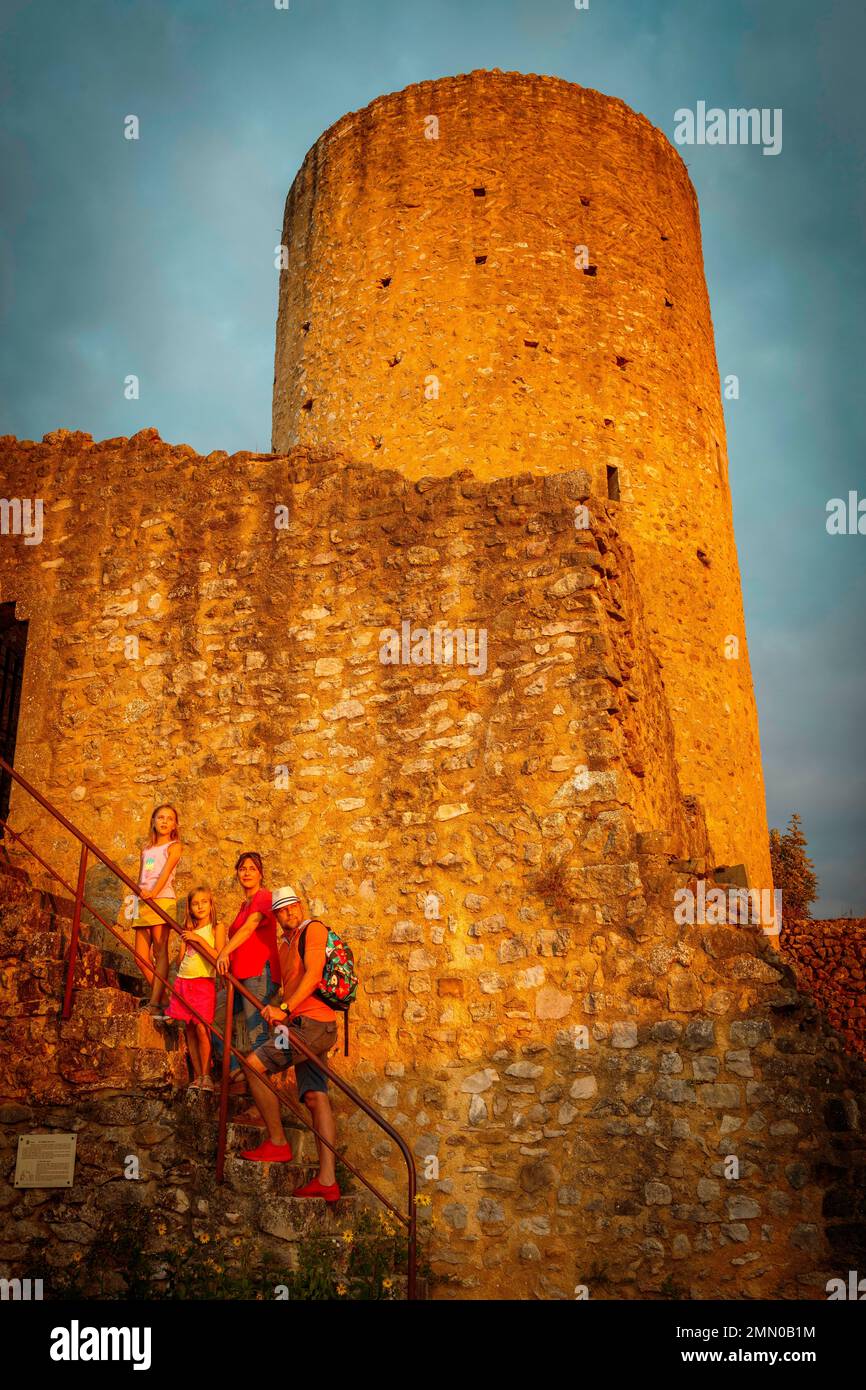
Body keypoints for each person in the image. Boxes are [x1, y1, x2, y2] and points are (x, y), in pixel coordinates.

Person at [239, 887, 340, 1203]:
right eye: (280, 910)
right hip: (304, 1025)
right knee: (314, 1096)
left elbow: (313, 976)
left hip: (312, 1024)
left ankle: (279, 1142)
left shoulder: (313, 930)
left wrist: (283, 1009)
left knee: (252, 1065)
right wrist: (284, 1011)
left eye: (292, 906)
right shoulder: (285, 945)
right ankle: (327, 1181)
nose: (287, 913)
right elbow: (292, 987)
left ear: (301, 906)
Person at [213, 851, 281, 1122]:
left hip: (260, 973)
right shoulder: (244, 904)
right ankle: (234, 1070)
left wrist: (223, 953)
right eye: (242, 868)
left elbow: (250, 928)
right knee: (209, 1015)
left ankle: (261, 1108)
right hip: (239, 978)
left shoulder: (264, 897)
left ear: (261, 873)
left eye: (252, 868)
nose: (247, 872)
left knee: (258, 1036)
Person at [167, 886, 225, 1091]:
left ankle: (207, 1075)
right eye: (195, 903)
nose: (200, 906)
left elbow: (218, 956)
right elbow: (180, 962)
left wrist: (198, 939)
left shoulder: (217, 927)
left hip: (203, 983)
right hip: (184, 981)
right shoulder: (188, 931)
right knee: (189, 1029)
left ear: (211, 905)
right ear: (190, 908)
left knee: (202, 1027)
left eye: (204, 902)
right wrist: (185, 942)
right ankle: (198, 1075)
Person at [128, 804, 183, 1017]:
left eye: (169, 819)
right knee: (140, 957)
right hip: (143, 901)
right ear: (153, 821)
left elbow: (166, 872)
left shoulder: (174, 846)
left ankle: (154, 1003)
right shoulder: (147, 850)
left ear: (174, 825)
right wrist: (137, 900)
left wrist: (154, 893)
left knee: (160, 952)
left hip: (162, 899)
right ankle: (166, 999)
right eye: (161, 817)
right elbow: (142, 877)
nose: (164, 821)